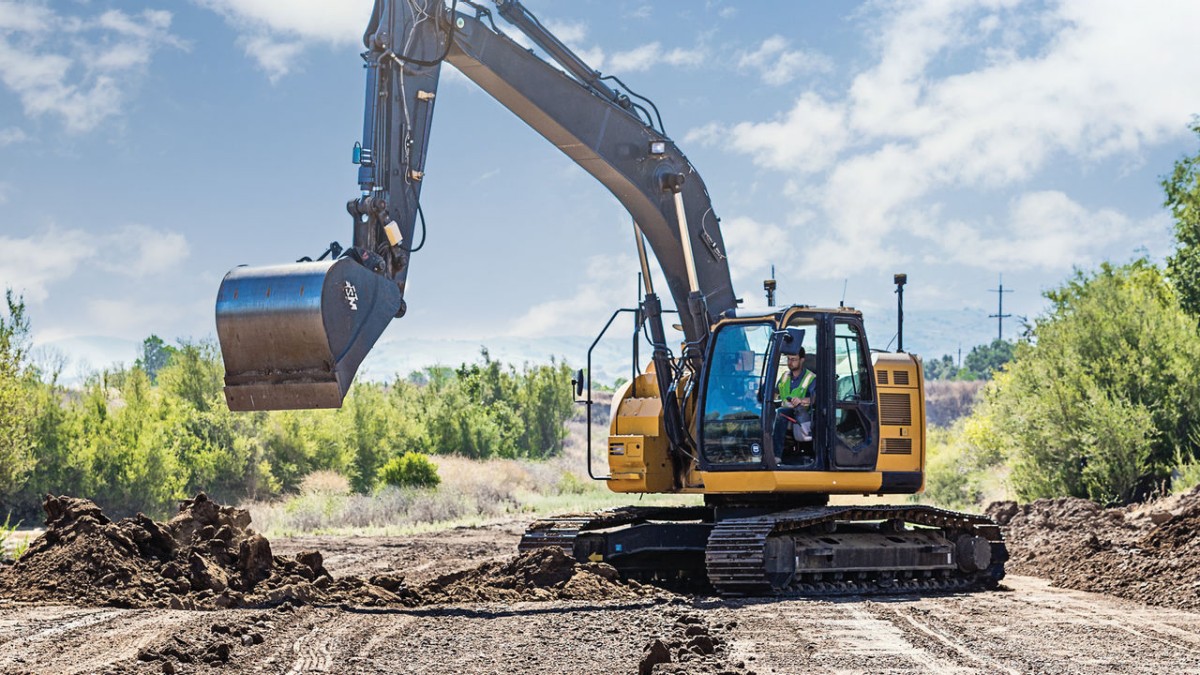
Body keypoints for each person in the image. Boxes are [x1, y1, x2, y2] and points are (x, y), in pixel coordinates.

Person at [774, 348, 815, 456]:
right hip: (785, 410)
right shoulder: (784, 376)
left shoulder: (811, 378)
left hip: (801, 414)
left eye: (794, 359)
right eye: (788, 359)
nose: (790, 362)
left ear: (802, 360)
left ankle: (775, 455)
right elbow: (774, 393)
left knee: (781, 413)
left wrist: (801, 400)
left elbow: (815, 399)